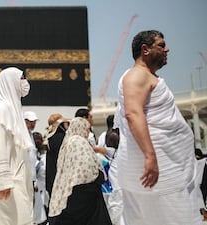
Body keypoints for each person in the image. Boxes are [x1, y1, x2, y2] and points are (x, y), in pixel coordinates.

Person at [115, 30, 201, 224]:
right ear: (145, 49)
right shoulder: (136, 76)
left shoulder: (147, 76)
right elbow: (133, 114)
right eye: (161, 45)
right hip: (154, 169)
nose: (166, 49)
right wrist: (150, 156)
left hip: (166, 169)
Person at [0, 67, 34, 225]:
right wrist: (3, 181)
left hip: (16, 177)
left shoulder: (12, 110)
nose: (25, 83)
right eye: (21, 79)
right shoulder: (0, 109)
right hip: (7, 181)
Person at [48, 117, 112, 225]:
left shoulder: (67, 141)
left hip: (69, 190)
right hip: (84, 192)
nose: (87, 133)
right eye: (87, 129)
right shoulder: (79, 141)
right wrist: (99, 176)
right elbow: (87, 169)